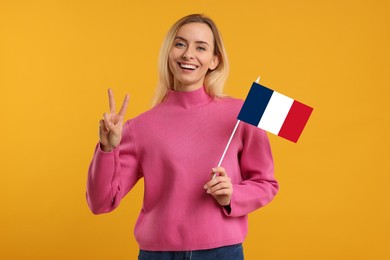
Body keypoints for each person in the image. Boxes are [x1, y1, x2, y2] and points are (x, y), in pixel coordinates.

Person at [87, 14, 279, 260]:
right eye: (180, 44)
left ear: (214, 60)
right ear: (169, 53)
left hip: (222, 253)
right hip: (158, 254)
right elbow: (100, 202)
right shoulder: (140, 127)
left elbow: (267, 183)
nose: (189, 54)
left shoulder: (242, 113)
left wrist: (232, 195)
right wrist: (106, 149)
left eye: (201, 47)